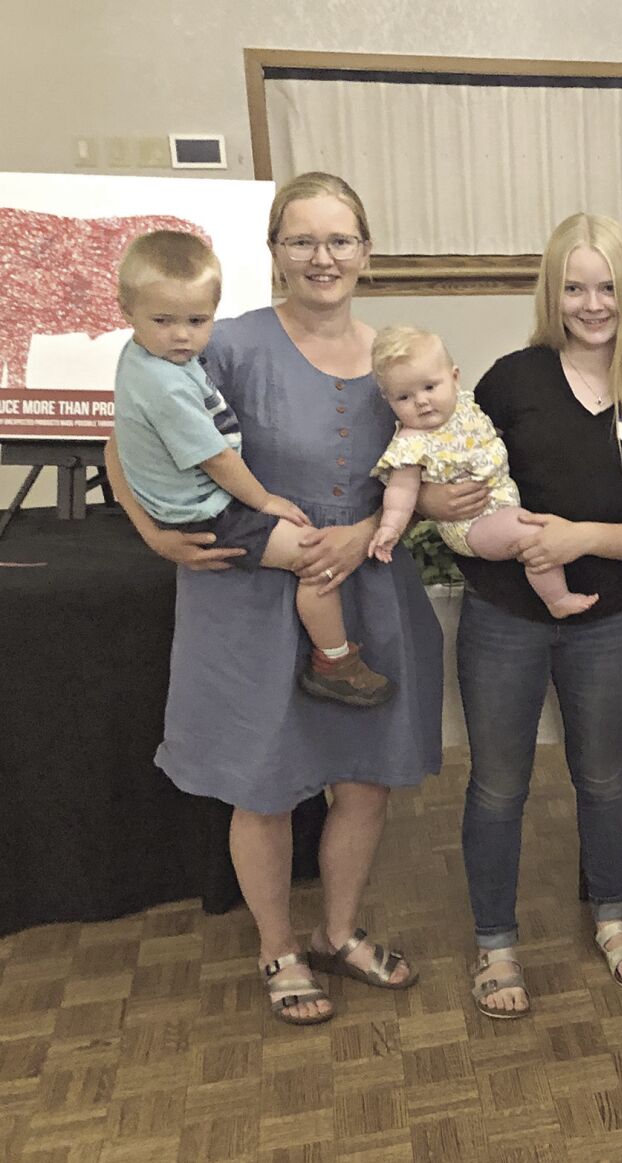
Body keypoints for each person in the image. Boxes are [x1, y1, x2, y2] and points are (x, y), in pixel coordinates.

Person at [106, 172, 442, 1026]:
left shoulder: (398, 354)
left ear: (367, 250)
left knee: (365, 782)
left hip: (363, 593)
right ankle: (277, 946)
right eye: (302, 240)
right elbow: (128, 442)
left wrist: (372, 521)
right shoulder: (224, 342)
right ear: (274, 252)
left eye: (339, 239)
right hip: (250, 601)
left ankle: (336, 931)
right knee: (265, 784)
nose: (321, 257)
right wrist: (152, 534)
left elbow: (425, 467)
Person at [422, 212, 622, 1019]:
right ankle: (495, 941)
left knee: (604, 776)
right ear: (553, 291)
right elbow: (457, 482)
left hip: (608, 622)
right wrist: (457, 513)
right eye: (574, 286)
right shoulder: (511, 381)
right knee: (498, 785)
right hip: (504, 617)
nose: (591, 303)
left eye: (606, 285)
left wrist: (580, 536)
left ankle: (613, 916)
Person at [111, 229, 395, 708]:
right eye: (163, 320)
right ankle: (335, 661)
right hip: (208, 513)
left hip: (199, 507)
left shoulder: (144, 356)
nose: (181, 335)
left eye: (196, 321)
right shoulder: (169, 381)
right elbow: (215, 458)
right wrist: (263, 501)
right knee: (313, 559)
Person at [366, 325, 596, 619]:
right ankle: (557, 599)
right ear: (388, 400)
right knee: (535, 537)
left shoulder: (465, 406)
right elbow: (400, 491)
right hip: (470, 525)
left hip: (497, 503)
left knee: (532, 532)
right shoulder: (412, 442)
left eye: (429, 387)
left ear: (454, 378)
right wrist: (390, 528)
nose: (421, 401)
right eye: (404, 398)